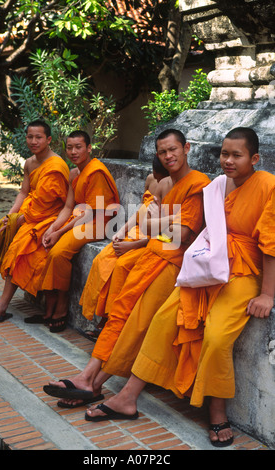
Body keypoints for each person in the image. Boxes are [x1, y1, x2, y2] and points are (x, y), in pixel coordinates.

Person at [84, 127, 275, 448]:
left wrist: (268, 294)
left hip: (244, 272)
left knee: (215, 337)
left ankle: (217, 411)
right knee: (163, 320)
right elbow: (197, 230)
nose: (227, 161)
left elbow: (270, 244)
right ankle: (127, 397)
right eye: (224, 154)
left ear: (254, 158)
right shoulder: (217, 187)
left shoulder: (268, 186)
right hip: (208, 266)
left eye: (236, 155)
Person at [43, 128, 210, 404]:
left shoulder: (197, 183)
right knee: (119, 314)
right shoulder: (169, 184)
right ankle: (87, 378)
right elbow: (165, 229)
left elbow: (181, 235)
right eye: (162, 152)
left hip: (173, 265)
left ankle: (92, 384)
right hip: (153, 256)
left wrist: (154, 224)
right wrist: (159, 225)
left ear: (187, 148)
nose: (168, 156)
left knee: (135, 323)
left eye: (173, 150)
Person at [0, 120, 69, 324]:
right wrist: (9, 217)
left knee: (19, 248)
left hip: (48, 218)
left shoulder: (56, 166)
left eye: (39, 137)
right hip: (28, 214)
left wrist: (18, 221)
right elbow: (23, 192)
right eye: (30, 137)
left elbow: (45, 205)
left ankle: (1, 306)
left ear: (48, 140)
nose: (33, 141)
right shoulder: (30, 162)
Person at [36, 130, 120, 333]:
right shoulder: (75, 173)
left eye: (78, 147)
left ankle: (62, 304)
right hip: (81, 219)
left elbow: (93, 212)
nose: (73, 152)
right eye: (70, 147)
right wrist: (53, 228)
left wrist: (60, 232)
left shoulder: (96, 171)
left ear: (89, 148)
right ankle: (50, 304)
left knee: (58, 252)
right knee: (43, 241)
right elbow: (68, 207)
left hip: (98, 223)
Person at [79, 155, 169, 338]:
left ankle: (112, 323)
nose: (158, 182)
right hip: (135, 232)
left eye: (162, 178)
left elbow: (166, 233)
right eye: (157, 177)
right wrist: (122, 231)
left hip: (151, 241)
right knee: (102, 259)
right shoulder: (152, 179)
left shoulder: (173, 187)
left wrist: (134, 246)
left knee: (120, 267)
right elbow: (140, 211)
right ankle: (102, 316)